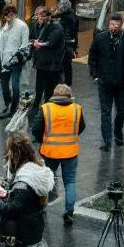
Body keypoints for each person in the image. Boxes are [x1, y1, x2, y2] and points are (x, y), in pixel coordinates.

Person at [87, 13, 124, 151]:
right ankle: (107, 140)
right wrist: (95, 75)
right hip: (104, 82)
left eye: (116, 25)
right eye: (111, 24)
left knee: (121, 110)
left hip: (123, 82)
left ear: (121, 25)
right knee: (105, 112)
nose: (114, 27)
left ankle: (117, 130)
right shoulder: (100, 38)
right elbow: (92, 56)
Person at [32, 85, 85, 226]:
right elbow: (81, 127)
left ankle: (42, 208)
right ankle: (69, 213)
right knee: (70, 182)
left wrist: (42, 140)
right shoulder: (77, 109)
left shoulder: (46, 108)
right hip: (71, 151)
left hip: (49, 152)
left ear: (54, 94)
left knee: (45, 181)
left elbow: (36, 128)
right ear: (70, 95)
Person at [0, 5, 30, 118]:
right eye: (7, 14)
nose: (9, 16)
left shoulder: (22, 26)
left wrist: (17, 58)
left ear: (15, 14)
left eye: (11, 14)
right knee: (4, 85)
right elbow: (0, 44)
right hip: (4, 60)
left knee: (15, 85)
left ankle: (13, 108)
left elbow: (24, 44)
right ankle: (8, 104)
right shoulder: (3, 25)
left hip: (16, 60)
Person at [30, 6, 67, 103]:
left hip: (52, 64)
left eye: (42, 16)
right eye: (38, 16)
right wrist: (34, 43)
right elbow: (32, 37)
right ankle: (37, 107)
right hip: (41, 62)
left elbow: (51, 42)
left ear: (48, 17)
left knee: (49, 90)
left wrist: (39, 44)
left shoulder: (56, 27)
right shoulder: (37, 25)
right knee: (38, 88)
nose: (39, 18)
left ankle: (47, 108)